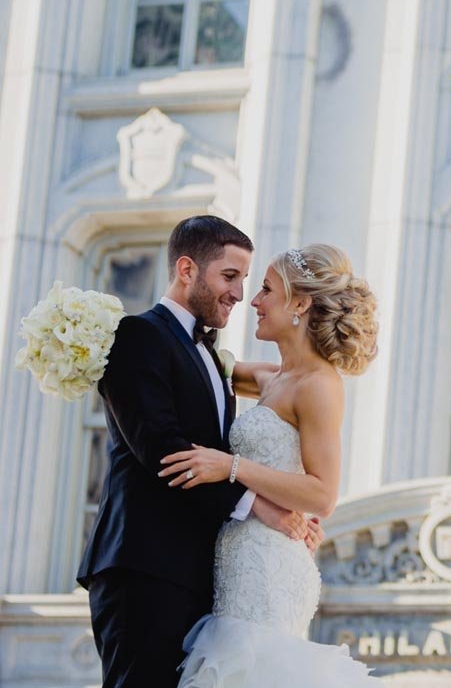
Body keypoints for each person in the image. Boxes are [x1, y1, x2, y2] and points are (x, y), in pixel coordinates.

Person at [77, 215, 323, 688]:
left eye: (246, 281)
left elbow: (290, 392)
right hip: (143, 566)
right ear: (186, 270)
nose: (239, 293)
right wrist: (261, 509)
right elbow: (164, 453)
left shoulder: (212, 356)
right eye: (229, 276)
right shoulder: (137, 337)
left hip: (198, 571)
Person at [158, 243, 378, 685]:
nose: (252, 301)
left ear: (299, 303)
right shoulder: (269, 378)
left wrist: (232, 467)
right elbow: (192, 362)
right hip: (235, 560)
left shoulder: (319, 386)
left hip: (270, 566)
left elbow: (322, 494)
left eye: (265, 289)